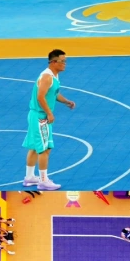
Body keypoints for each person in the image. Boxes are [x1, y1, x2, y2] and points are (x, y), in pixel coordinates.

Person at [23, 49, 75, 190]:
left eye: (65, 61)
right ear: (53, 62)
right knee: (45, 149)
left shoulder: (53, 76)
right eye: (62, 61)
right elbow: (40, 97)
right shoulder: (47, 77)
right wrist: (49, 113)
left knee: (35, 147)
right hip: (40, 116)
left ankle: (29, 177)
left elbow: (54, 94)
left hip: (36, 115)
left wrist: (66, 101)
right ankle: (43, 181)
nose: (65, 64)